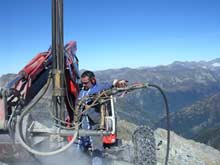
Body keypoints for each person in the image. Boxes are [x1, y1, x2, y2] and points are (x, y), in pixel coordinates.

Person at [77, 70, 127, 164]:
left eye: (86, 83)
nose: (84, 85)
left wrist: (117, 83)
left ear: (93, 80)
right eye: (82, 83)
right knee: (80, 147)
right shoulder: (82, 91)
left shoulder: (98, 88)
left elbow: (110, 84)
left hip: (94, 126)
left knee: (96, 149)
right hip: (82, 126)